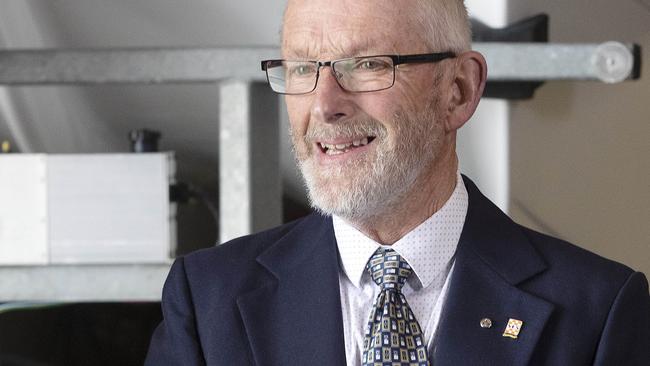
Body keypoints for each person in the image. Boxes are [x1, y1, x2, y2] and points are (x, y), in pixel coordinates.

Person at [145, 0, 649, 364]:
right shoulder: (206, 301)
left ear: (458, 90)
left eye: (366, 65)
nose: (323, 104)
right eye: (301, 68)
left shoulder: (599, 311)